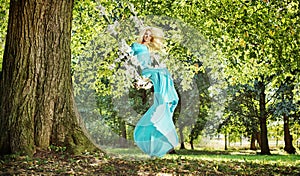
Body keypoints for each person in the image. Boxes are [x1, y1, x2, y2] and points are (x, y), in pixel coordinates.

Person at [130, 27, 179, 157]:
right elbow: (129, 59)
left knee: (164, 73)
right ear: (142, 35)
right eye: (146, 34)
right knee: (163, 72)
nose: (147, 36)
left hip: (150, 72)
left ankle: (166, 100)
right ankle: (165, 98)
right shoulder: (136, 45)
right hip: (145, 71)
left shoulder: (150, 49)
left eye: (149, 35)